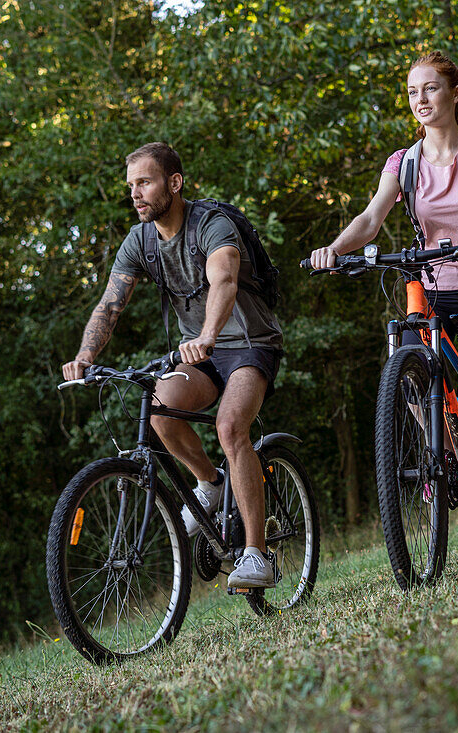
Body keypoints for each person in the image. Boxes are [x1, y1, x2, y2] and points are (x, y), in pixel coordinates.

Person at [62, 142, 283, 588]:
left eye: (144, 182)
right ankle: (211, 482)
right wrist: (87, 354)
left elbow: (223, 277)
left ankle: (258, 554)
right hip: (196, 352)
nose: (136, 194)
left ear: (174, 183)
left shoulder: (212, 224)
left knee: (230, 428)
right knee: (160, 410)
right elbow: (110, 304)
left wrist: (207, 335)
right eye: (131, 186)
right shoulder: (140, 240)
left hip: (248, 344)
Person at [309, 51, 458, 456]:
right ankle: (438, 453)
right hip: (436, 285)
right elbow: (371, 218)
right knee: (406, 349)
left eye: (430, 88)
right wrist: (334, 250)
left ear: (455, 93)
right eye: (412, 92)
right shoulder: (403, 163)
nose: (420, 99)